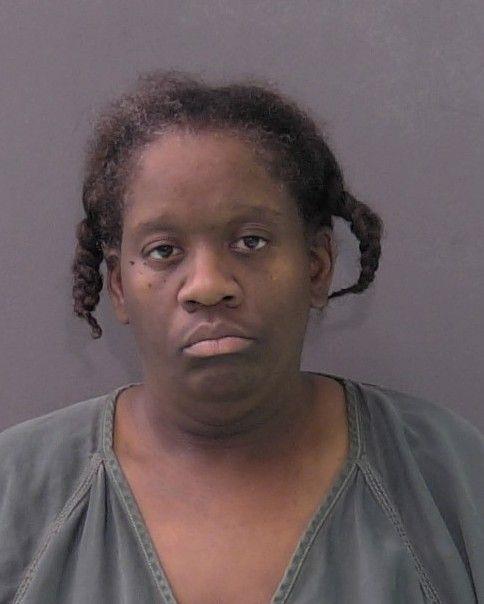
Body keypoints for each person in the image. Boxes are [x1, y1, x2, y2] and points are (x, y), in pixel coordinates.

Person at [0, 70, 482, 604]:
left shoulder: (451, 475)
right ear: (118, 286)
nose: (208, 286)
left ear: (317, 266)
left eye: (251, 241)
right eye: (163, 251)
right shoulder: (16, 492)